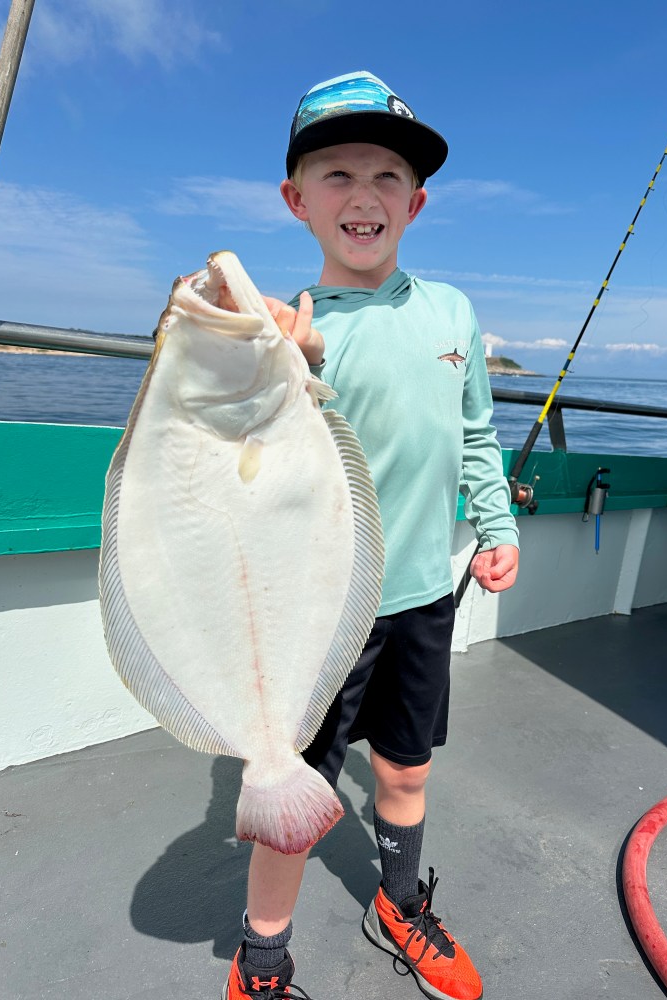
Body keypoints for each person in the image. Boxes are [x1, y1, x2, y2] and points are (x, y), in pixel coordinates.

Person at [224, 70, 520, 1000]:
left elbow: (475, 432)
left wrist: (496, 519)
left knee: (405, 769)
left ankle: (399, 901)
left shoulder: (454, 315)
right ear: (297, 200)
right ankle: (262, 955)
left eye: (387, 176)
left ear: (417, 202)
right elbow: (239, 457)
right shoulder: (282, 333)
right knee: (293, 800)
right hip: (321, 615)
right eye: (338, 174)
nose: (364, 194)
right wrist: (280, 359)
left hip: (429, 592)